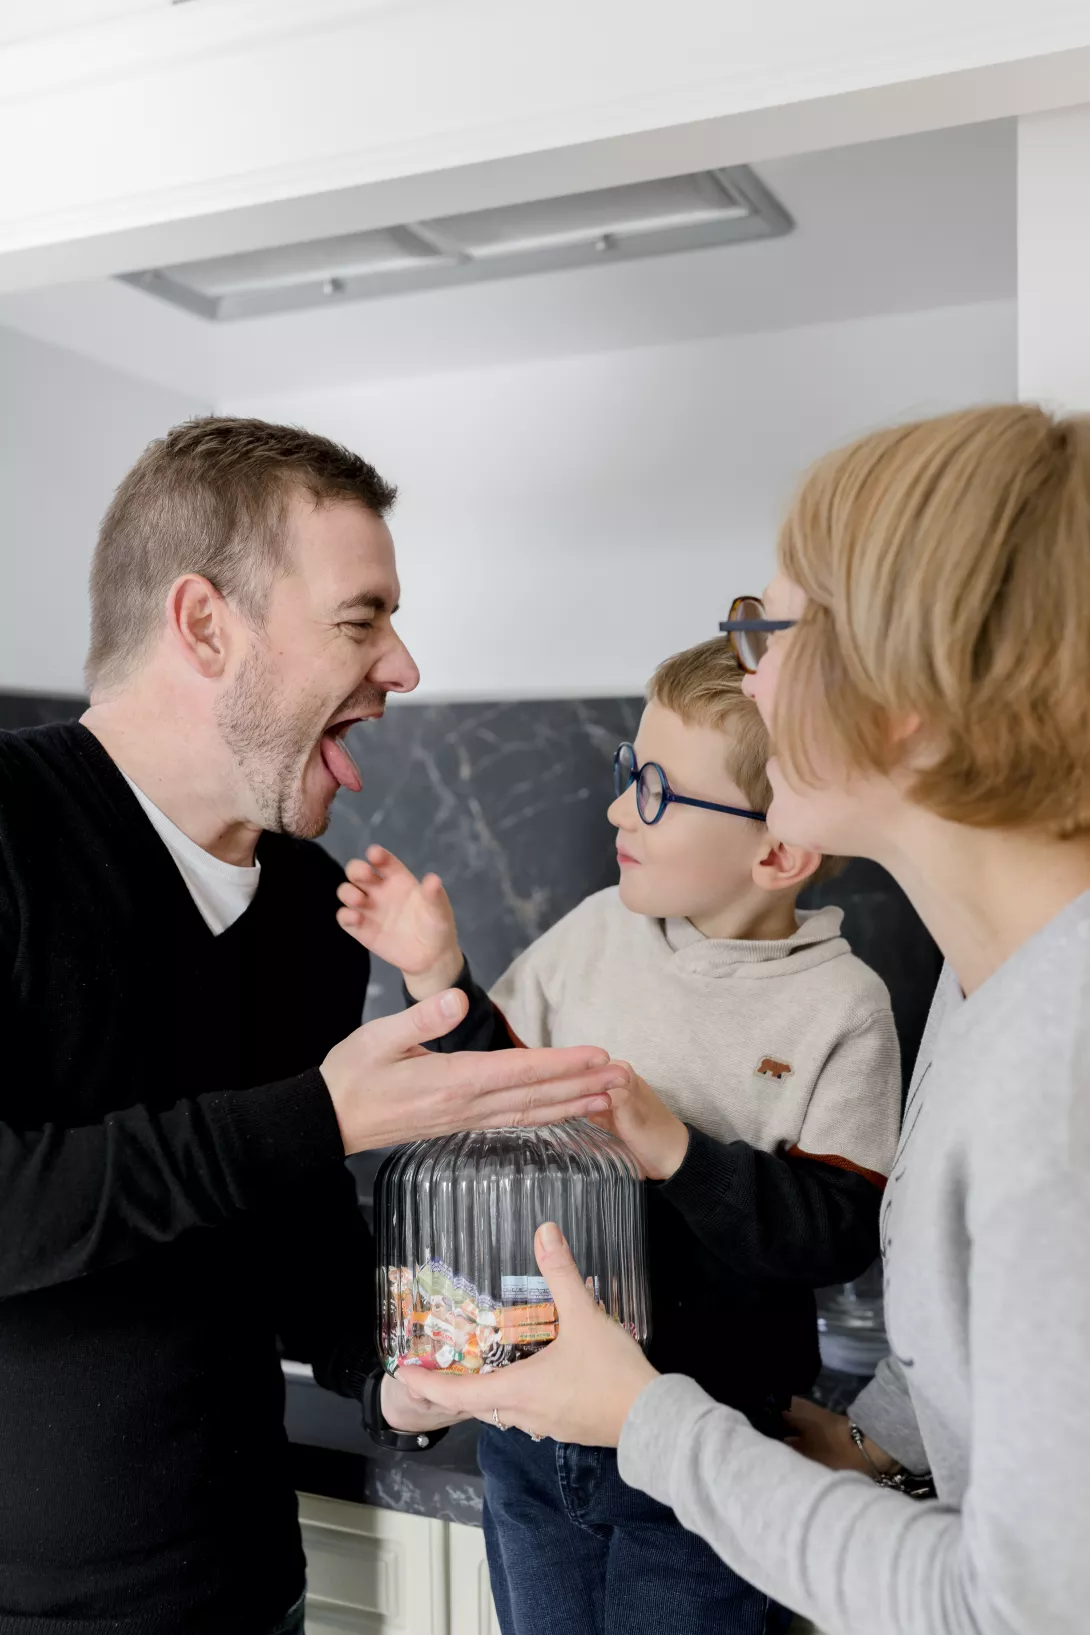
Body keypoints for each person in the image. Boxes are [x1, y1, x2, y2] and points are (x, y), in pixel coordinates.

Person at [401, 404, 1090, 1635]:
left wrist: (651, 1422)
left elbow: (1019, 1611)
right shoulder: (994, 993)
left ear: (904, 699)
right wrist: (874, 1445)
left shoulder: (1058, 1062)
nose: (749, 672)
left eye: (765, 632)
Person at [0, 417, 627, 1635]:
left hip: (243, 1589)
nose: (402, 665)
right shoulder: (9, 828)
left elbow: (284, 1225)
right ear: (204, 625)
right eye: (361, 618)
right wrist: (323, 1113)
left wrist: (398, 1377)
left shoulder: (299, 903)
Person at [336, 638, 902, 1635]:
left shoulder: (839, 1008)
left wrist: (676, 1148)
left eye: (652, 790)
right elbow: (494, 1088)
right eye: (621, 774)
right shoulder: (600, 929)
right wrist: (441, 979)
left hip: (702, 1452)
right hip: (529, 1422)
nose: (613, 808)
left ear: (775, 854)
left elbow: (841, 1231)